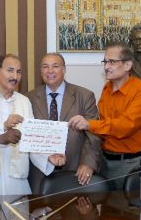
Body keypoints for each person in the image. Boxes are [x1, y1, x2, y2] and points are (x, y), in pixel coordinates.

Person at [0, 54, 65, 195]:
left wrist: (48, 157)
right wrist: (3, 126)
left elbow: (30, 140)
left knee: (18, 209)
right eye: (10, 70)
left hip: (16, 178)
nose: (15, 76)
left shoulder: (24, 101)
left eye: (18, 72)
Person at [69, 43, 141, 190]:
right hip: (106, 161)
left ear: (128, 65)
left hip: (132, 163)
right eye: (105, 62)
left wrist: (90, 124)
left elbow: (126, 126)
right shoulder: (107, 88)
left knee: (132, 204)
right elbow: (104, 124)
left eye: (112, 62)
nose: (106, 67)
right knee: (107, 204)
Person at [27, 52, 101, 193]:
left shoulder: (84, 96)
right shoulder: (29, 98)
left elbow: (93, 134)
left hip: (75, 169)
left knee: (74, 207)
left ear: (64, 70)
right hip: (40, 170)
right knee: (39, 206)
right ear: (41, 71)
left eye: (55, 66)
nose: (50, 71)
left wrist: (88, 163)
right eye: (45, 67)